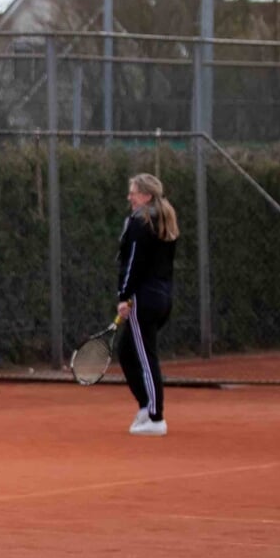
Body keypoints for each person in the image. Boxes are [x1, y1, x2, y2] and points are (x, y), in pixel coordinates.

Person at [116, 172, 180, 436]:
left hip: (145, 300)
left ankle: (156, 418)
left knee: (145, 358)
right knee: (126, 351)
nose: (129, 196)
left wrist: (124, 296)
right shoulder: (164, 221)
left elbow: (132, 265)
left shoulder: (139, 223)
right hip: (162, 298)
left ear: (147, 195)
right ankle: (145, 406)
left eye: (134, 192)